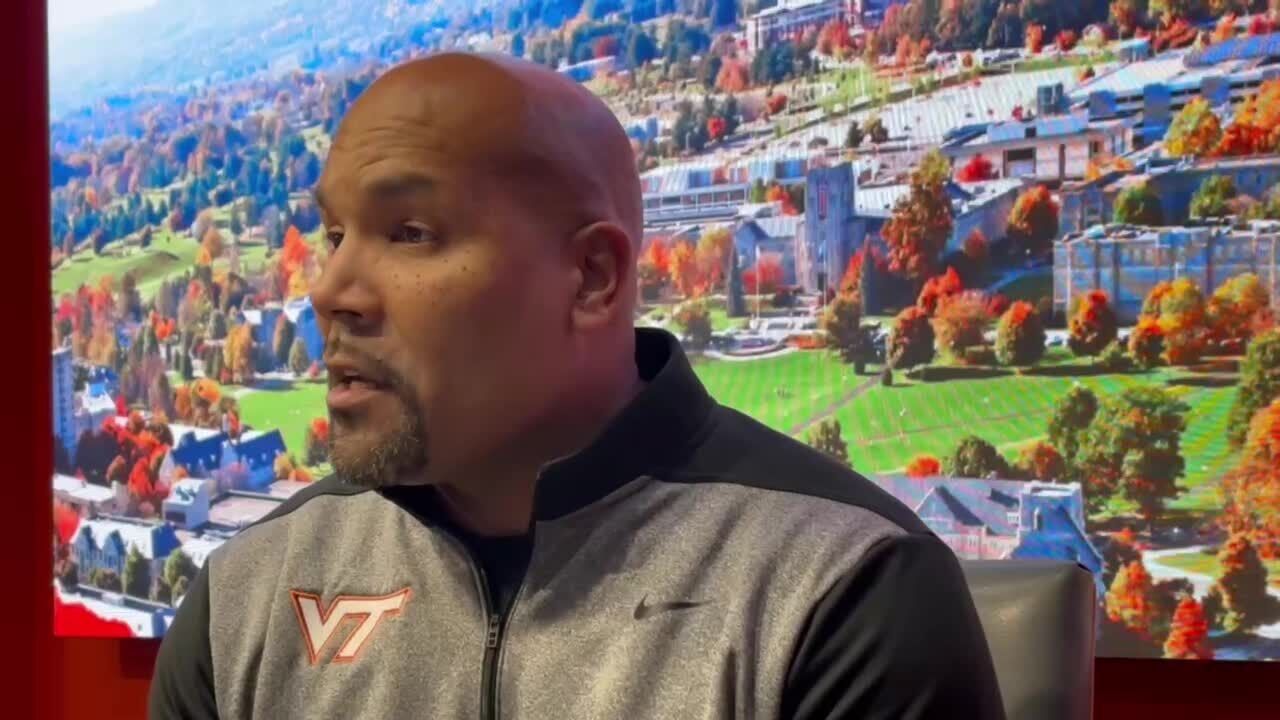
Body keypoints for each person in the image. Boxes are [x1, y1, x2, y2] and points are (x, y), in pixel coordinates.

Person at [150, 52, 1005, 720]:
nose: (331, 289)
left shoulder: (843, 593)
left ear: (593, 277)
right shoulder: (248, 600)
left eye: (408, 232)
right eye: (335, 234)